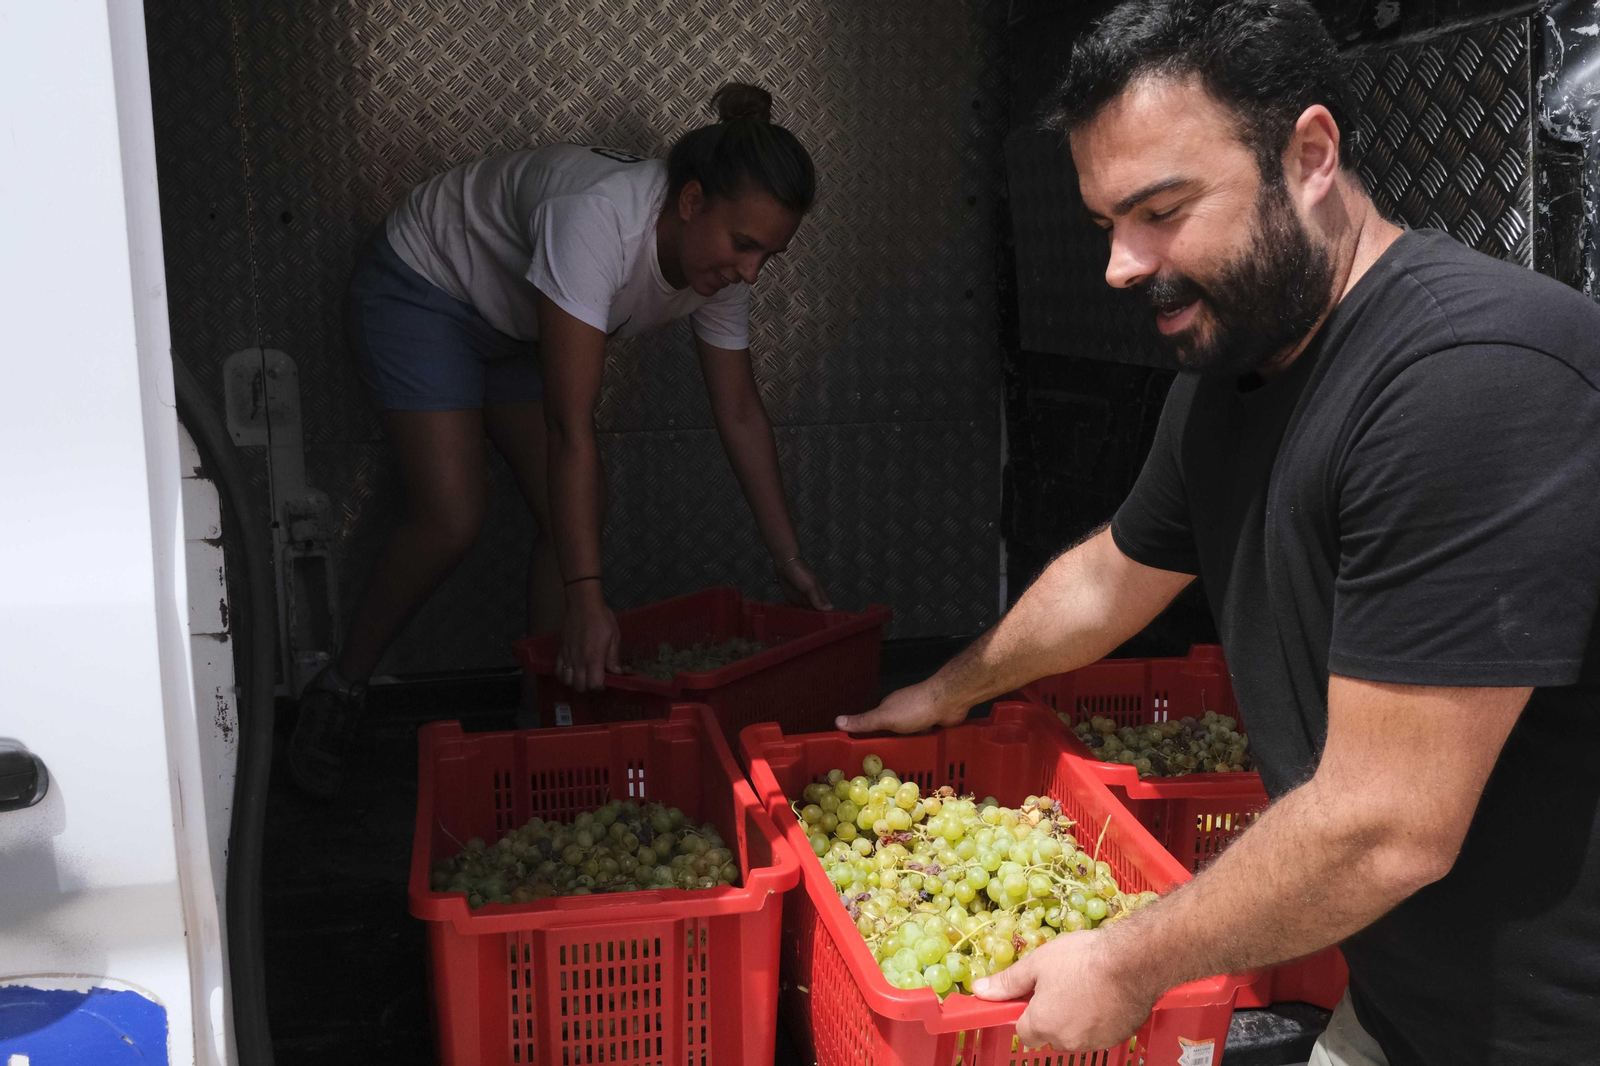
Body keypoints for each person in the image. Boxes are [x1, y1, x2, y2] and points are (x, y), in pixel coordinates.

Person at [838, 1, 1600, 1063]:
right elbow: (1109, 578)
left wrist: (1126, 960)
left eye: (1160, 209)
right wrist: (949, 689)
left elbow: (1388, 825)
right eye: (1107, 222)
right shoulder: (1234, 372)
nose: (1118, 264)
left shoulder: (1472, 380)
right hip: (1396, 1009)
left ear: (1310, 155)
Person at [290, 83, 832, 797]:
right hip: (427, 287)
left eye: (770, 255)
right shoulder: (598, 221)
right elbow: (569, 425)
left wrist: (787, 557)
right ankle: (340, 687)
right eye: (744, 246)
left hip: (520, 316)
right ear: (692, 201)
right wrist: (587, 595)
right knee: (452, 515)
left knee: (575, 510)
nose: (751, 272)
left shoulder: (723, 266)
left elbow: (738, 410)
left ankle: (546, 711)